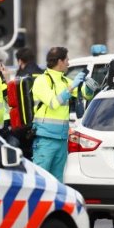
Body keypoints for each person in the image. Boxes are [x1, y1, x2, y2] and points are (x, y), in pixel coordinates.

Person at [31, 47, 85, 182]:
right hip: (45, 139)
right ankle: (38, 204)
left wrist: (89, 86)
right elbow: (53, 103)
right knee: (40, 180)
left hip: (61, 139)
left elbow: (86, 93)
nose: (68, 63)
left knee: (57, 182)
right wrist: (72, 88)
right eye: (67, 59)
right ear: (59, 61)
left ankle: (54, 204)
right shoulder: (42, 81)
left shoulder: (65, 81)